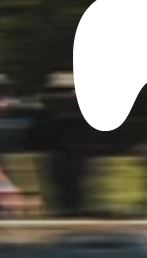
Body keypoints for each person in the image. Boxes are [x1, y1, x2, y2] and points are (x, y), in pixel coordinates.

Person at [27, 72, 105, 217]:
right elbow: (38, 139)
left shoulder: (86, 116)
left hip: (79, 166)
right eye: (61, 91)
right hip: (57, 164)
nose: (67, 95)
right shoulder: (45, 118)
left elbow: (95, 140)